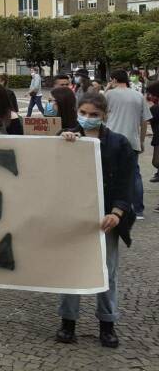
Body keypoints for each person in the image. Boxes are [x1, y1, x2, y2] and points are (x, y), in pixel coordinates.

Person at [56, 93, 134, 349]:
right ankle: (68, 322)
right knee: (71, 270)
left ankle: (107, 324)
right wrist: (62, 140)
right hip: (73, 215)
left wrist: (117, 212)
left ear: (104, 116)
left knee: (107, 272)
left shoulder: (119, 144)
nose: (88, 119)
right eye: (84, 113)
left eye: (94, 115)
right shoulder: (67, 139)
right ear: (77, 112)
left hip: (106, 217)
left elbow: (126, 182)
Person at [103, 69, 151, 219]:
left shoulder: (109, 95)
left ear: (114, 80)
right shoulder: (138, 95)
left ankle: (114, 207)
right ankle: (138, 210)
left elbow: (101, 113)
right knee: (134, 174)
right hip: (132, 139)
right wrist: (142, 140)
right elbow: (144, 121)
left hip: (113, 138)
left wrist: (106, 89)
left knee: (111, 174)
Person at [147, 81, 159, 184]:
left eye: (151, 94)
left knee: (156, 162)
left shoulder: (154, 109)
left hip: (158, 137)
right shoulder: (154, 108)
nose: (149, 96)